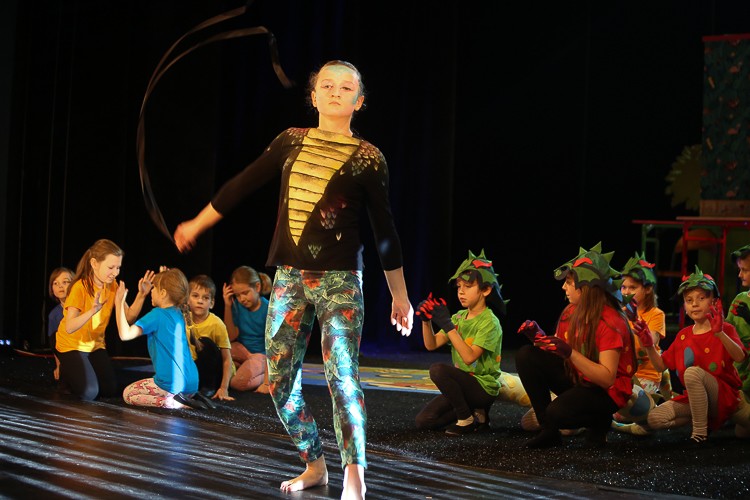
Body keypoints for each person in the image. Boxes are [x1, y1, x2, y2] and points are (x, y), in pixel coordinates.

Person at [173, 60, 413, 498]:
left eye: (346, 88)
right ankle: (315, 464)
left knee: (343, 378)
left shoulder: (368, 157)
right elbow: (241, 184)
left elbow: (385, 232)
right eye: (327, 85)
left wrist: (401, 296)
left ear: (359, 101)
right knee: (281, 381)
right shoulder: (291, 140)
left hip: (340, 281)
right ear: (313, 96)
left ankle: (355, 477)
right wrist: (196, 224)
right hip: (289, 278)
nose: (335, 92)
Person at [515, 243, 635, 449]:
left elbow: (607, 379)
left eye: (569, 282)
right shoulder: (571, 312)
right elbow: (560, 349)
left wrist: (570, 353)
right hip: (579, 378)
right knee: (526, 355)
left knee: (556, 413)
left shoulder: (610, 322)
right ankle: (549, 432)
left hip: (605, 392)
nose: (564, 287)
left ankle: (600, 421)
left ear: (586, 287)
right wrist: (540, 339)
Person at [636, 266, 746, 444]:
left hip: (725, 397)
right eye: (689, 300)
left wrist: (719, 333)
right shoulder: (684, 335)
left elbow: (740, 357)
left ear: (714, 302)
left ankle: (700, 432)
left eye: (701, 298)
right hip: (697, 399)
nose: (694, 304)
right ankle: (702, 415)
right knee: (655, 418)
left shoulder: (725, 329)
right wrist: (649, 346)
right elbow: (660, 366)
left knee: (692, 373)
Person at [415, 249, 509, 435]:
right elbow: (431, 344)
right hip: (462, 386)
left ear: (486, 290)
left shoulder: (490, 322)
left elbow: (469, 357)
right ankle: (475, 414)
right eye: (459, 287)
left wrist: (448, 325)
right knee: (424, 421)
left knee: (438, 370)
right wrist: (426, 321)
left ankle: (465, 419)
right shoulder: (459, 317)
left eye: (468, 286)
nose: (461, 292)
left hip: (482, 388)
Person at [56, 239, 152, 401]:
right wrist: (92, 311)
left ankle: (79, 372)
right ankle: (67, 372)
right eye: (111, 267)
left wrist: (141, 295)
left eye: (118, 268)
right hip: (71, 346)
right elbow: (70, 327)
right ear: (94, 263)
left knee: (109, 389)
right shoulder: (80, 287)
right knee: (89, 392)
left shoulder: (112, 285)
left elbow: (129, 318)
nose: (115, 272)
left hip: (95, 346)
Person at [114, 267, 201, 409]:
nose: (151, 291)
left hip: (172, 385)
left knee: (128, 394)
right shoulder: (179, 313)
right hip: (192, 385)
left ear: (163, 293)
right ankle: (186, 398)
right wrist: (144, 292)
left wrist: (119, 303)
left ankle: (172, 403)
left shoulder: (158, 314)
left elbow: (125, 335)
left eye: (154, 288)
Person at [611, 252, 673, 436]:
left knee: (621, 413)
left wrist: (634, 320)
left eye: (633, 287)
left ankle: (650, 413)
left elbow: (649, 344)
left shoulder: (656, 314)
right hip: (624, 373)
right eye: (623, 287)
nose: (626, 292)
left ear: (647, 289)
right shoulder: (618, 312)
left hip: (646, 373)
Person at [223, 266, 272, 394]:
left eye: (245, 293)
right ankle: (246, 366)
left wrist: (266, 382)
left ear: (257, 287)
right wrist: (228, 306)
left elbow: (273, 346)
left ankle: (270, 376)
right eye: (237, 295)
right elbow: (231, 337)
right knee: (222, 351)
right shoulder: (237, 306)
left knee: (237, 383)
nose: (242, 299)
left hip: (262, 356)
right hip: (244, 352)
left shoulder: (268, 309)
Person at [188, 274, 235, 401]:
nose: (200, 301)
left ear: (212, 303)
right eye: (195, 296)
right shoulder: (184, 319)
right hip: (196, 368)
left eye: (205, 298)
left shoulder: (216, 324)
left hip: (216, 372)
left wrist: (224, 388)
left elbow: (227, 359)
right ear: (187, 299)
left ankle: (209, 386)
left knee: (204, 342)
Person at [726, 243, 750, 399]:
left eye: (745, 270)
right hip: (738, 361)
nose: (740, 275)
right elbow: (727, 327)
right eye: (740, 270)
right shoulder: (740, 298)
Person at [47, 266, 74, 381]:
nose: (60, 286)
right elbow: (55, 345)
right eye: (55, 283)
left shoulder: (84, 308)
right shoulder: (54, 315)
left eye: (65, 282)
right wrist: (59, 366)